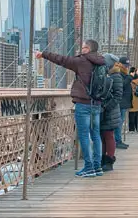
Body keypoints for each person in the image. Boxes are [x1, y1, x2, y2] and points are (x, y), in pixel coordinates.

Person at [36, 39, 106, 178]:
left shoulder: (81, 61)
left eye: (83, 47)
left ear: (87, 49)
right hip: (96, 103)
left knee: (84, 135)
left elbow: (61, 59)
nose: (81, 50)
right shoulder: (102, 62)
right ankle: (97, 167)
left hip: (83, 103)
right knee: (96, 134)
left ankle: (88, 167)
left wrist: (43, 54)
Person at [100, 53, 123, 172]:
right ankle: (102, 160)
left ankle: (109, 160)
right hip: (103, 110)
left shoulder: (116, 76)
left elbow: (118, 96)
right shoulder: (106, 74)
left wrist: (106, 107)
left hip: (110, 111)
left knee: (108, 136)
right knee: (102, 136)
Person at [116, 56, 132, 149]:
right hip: (121, 101)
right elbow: (121, 85)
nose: (127, 67)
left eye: (127, 65)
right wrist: (129, 77)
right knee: (119, 122)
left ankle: (118, 140)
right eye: (125, 65)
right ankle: (117, 141)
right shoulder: (118, 72)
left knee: (120, 121)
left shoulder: (124, 72)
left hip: (124, 101)